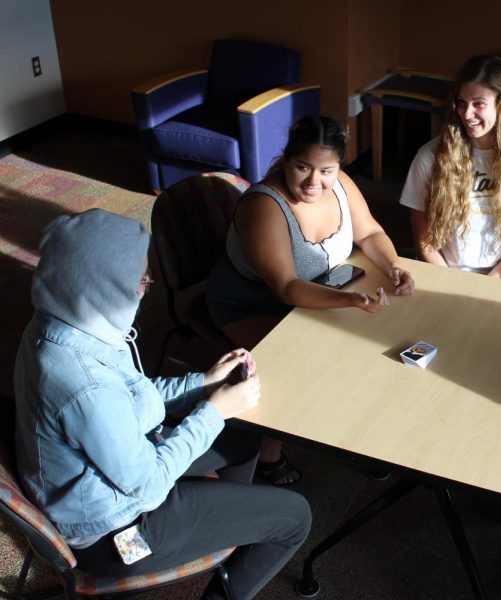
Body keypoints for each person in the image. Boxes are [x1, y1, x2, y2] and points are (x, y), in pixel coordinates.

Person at [14, 209, 312, 600]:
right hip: (115, 531)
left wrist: (204, 383)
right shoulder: (83, 386)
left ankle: (231, 530)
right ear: (102, 286)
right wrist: (214, 410)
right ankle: (230, 550)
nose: (147, 285)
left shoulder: (67, 320)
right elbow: (148, 484)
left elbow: (132, 397)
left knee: (243, 434)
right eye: (139, 279)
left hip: (114, 478)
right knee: (295, 517)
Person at [207, 115, 415, 484]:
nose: (314, 182)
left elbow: (370, 232)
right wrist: (350, 302)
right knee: (299, 359)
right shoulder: (264, 205)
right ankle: (269, 455)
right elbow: (286, 287)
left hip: (323, 287)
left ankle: (359, 429)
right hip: (253, 301)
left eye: (326, 170)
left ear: (338, 167)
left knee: (377, 340)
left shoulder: (342, 185)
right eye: (303, 167)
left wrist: (394, 265)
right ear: (286, 160)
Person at [399, 54, 501, 278]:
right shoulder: (429, 156)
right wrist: (450, 284)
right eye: (461, 103)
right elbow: (424, 238)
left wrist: (487, 286)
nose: (467, 114)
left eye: (479, 104)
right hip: (443, 272)